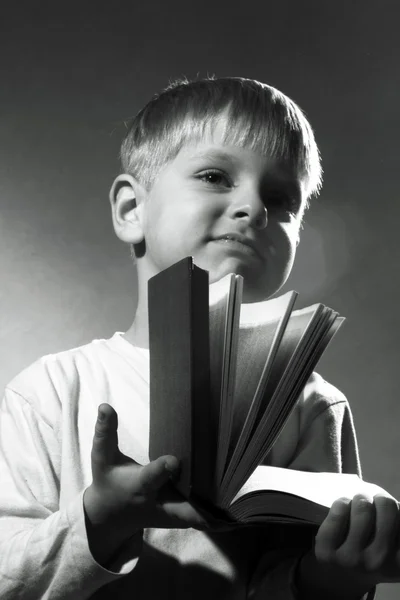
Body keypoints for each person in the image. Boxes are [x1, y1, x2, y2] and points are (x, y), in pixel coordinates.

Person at [0, 76, 398, 600]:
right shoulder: (51, 390)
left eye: (281, 198)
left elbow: (285, 584)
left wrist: (337, 576)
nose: (254, 208)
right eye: (214, 176)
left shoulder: (312, 407)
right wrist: (101, 518)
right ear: (130, 210)